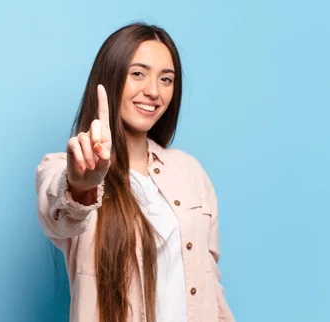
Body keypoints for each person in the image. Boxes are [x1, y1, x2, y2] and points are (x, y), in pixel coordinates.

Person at [35, 22, 234, 322]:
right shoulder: (62, 167)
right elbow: (60, 214)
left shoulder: (190, 172)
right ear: (111, 78)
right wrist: (82, 186)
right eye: (138, 73)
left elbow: (210, 285)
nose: (153, 91)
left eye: (166, 79)